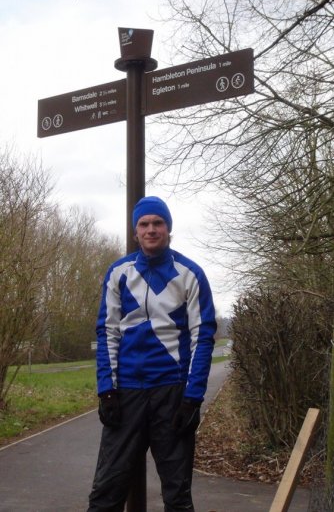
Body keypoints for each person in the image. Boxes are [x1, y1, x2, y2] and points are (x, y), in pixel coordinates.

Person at [87, 196, 217, 512]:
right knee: (106, 492)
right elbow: (107, 333)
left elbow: (204, 337)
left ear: (168, 228)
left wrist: (193, 397)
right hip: (126, 393)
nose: (151, 229)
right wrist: (106, 390)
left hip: (171, 393)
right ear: (135, 232)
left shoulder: (190, 274)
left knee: (177, 495)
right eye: (144, 224)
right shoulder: (119, 272)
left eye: (158, 223)